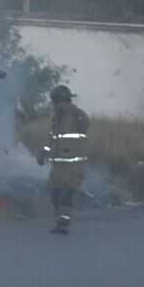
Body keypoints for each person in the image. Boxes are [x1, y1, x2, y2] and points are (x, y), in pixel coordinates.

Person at [40, 83, 91, 235]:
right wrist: (43, 153)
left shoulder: (77, 115)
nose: (54, 105)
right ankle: (59, 221)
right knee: (55, 195)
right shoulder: (57, 118)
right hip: (58, 166)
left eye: (55, 101)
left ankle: (63, 224)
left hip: (74, 166)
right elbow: (52, 139)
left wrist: (71, 110)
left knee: (66, 195)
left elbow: (84, 126)